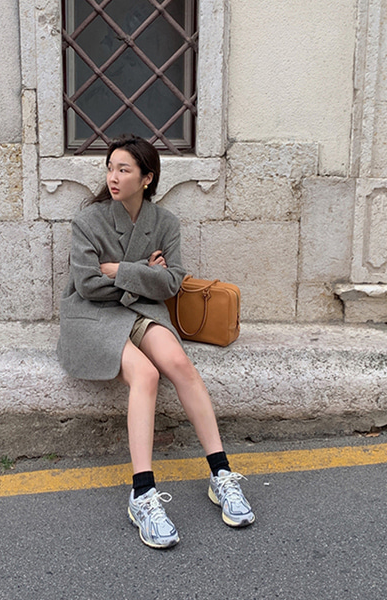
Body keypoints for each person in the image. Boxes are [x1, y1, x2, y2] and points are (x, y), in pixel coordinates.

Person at [57, 134, 254, 549]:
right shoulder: (87, 221)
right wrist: (143, 272)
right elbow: (87, 285)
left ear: (147, 178)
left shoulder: (165, 223)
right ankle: (143, 494)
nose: (113, 177)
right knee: (145, 374)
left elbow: (172, 282)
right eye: (110, 168)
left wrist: (118, 270)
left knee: (179, 364)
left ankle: (221, 474)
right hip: (93, 315)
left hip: (140, 309)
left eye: (123, 169)